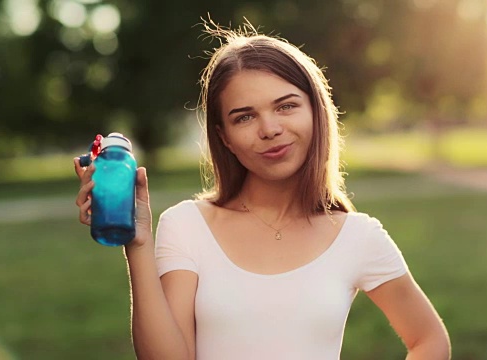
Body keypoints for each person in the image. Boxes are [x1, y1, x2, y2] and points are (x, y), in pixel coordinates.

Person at [74, 19, 450, 360]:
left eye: (286, 107)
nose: (269, 129)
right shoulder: (187, 226)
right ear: (224, 138)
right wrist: (137, 245)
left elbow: (430, 340)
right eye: (245, 116)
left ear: (316, 112)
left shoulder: (358, 236)